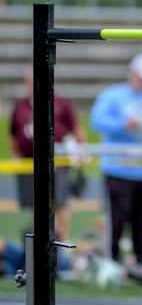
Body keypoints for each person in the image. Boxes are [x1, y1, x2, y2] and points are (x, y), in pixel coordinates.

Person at [90, 53, 142, 265]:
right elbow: (96, 120)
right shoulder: (113, 95)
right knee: (116, 220)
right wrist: (122, 124)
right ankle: (112, 259)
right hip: (118, 170)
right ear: (133, 74)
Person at [10, 68, 85, 241]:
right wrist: (17, 158)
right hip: (30, 161)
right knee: (37, 205)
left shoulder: (60, 101)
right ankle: (40, 240)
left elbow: (76, 128)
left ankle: (62, 243)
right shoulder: (21, 105)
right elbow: (13, 134)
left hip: (56, 160)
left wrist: (79, 154)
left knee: (59, 203)